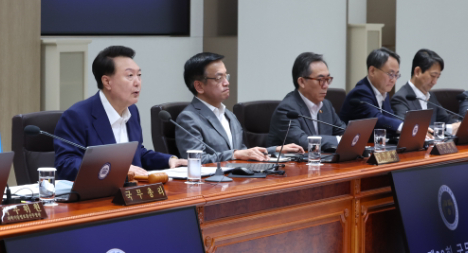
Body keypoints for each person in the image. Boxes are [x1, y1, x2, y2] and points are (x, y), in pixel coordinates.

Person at [53, 46, 186, 181]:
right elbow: (66, 164)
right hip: (97, 195)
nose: (137, 82)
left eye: (139, 75)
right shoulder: (78, 116)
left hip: (130, 192)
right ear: (107, 82)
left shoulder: (132, 110)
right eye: (130, 76)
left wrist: (168, 160)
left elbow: (137, 153)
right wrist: (115, 168)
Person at [175, 52, 303, 163]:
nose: (226, 83)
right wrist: (235, 154)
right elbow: (195, 160)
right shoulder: (188, 119)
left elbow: (242, 152)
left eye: (226, 76)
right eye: (219, 78)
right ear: (199, 86)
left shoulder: (229, 115)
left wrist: (275, 150)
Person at [267, 52, 346, 150]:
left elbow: (344, 132)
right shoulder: (287, 110)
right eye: (320, 79)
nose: (326, 86)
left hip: (322, 163)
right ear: (302, 82)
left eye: (328, 79)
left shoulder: (326, 105)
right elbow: (303, 142)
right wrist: (338, 140)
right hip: (290, 164)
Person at [391, 49, 460, 134]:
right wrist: (448, 128)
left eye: (437, 77)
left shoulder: (430, 96)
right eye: (433, 76)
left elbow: (446, 119)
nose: (435, 82)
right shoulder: (400, 98)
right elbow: (408, 129)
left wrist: (459, 123)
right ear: (417, 72)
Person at [339, 48, 403, 133]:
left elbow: (390, 119)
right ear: (372, 71)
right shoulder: (360, 93)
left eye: (396, 75)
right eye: (390, 74)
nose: (394, 80)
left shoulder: (383, 93)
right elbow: (376, 119)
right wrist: (403, 126)